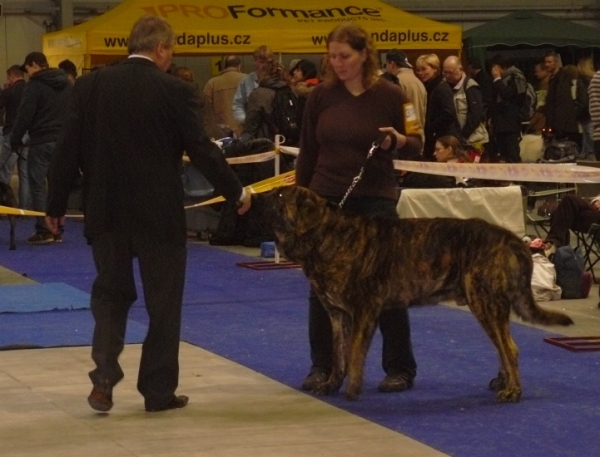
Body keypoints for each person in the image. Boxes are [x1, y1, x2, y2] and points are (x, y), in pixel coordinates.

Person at [45, 15, 251, 413]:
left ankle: (104, 378)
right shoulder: (176, 90)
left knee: (110, 295)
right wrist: (235, 190)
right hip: (159, 215)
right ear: (161, 49)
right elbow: (202, 148)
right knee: (164, 303)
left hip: (106, 213)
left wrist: (54, 206)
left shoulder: (89, 86)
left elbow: (66, 149)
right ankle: (157, 392)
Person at [296, 23, 422, 393]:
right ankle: (323, 366)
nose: (338, 64)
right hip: (326, 203)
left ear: (365, 53)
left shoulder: (393, 95)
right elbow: (308, 152)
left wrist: (398, 140)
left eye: (345, 56)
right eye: (332, 57)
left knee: (386, 285)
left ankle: (399, 367)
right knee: (321, 289)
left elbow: (417, 142)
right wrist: (303, 204)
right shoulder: (319, 98)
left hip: (376, 202)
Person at [10, 51, 72, 244]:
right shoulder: (67, 84)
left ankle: (44, 230)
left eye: (28, 68)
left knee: (38, 186)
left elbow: (25, 114)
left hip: (41, 140)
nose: (28, 73)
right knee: (57, 186)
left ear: (35, 64)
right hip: (63, 141)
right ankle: (58, 228)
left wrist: (15, 138)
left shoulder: (34, 86)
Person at [414, 53, 460, 160]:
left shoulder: (441, 88)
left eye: (424, 69)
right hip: (438, 139)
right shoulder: (431, 87)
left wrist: (430, 128)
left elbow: (448, 114)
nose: (420, 73)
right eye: (418, 70)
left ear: (435, 69)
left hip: (443, 140)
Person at [0, 65, 29, 209]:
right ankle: (24, 209)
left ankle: (3, 206)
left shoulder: (9, 91)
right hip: (28, 137)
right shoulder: (32, 90)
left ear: (12, 76)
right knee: (24, 174)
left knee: (5, 171)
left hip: (11, 134)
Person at [489, 54, 527, 163]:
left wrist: (497, 79)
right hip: (499, 123)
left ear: (504, 67)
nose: (493, 71)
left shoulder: (516, 77)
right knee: (502, 155)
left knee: (512, 153)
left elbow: (507, 94)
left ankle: (516, 178)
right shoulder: (500, 80)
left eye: (495, 67)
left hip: (511, 122)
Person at [398, 135, 473, 188]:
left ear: (449, 150)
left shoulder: (442, 172)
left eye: (438, 149)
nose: (434, 153)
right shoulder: (469, 167)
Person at [384, 49, 427, 140]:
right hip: (418, 136)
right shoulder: (419, 82)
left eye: (386, 65)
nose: (386, 68)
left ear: (392, 64)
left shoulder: (396, 82)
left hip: (403, 138)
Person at [232, 45, 274, 128]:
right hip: (251, 129)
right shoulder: (246, 81)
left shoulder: (278, 81)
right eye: (261, 62)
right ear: (255, 62)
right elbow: (238, 105)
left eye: (267, 62)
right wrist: (245, 121)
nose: (265, 65)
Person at [203, 55, 246, 137]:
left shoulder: (212, 83)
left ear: (225, 67)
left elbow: (205, 111)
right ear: (239, 66)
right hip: (244, 130)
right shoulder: (248, 80)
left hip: (222, 133)